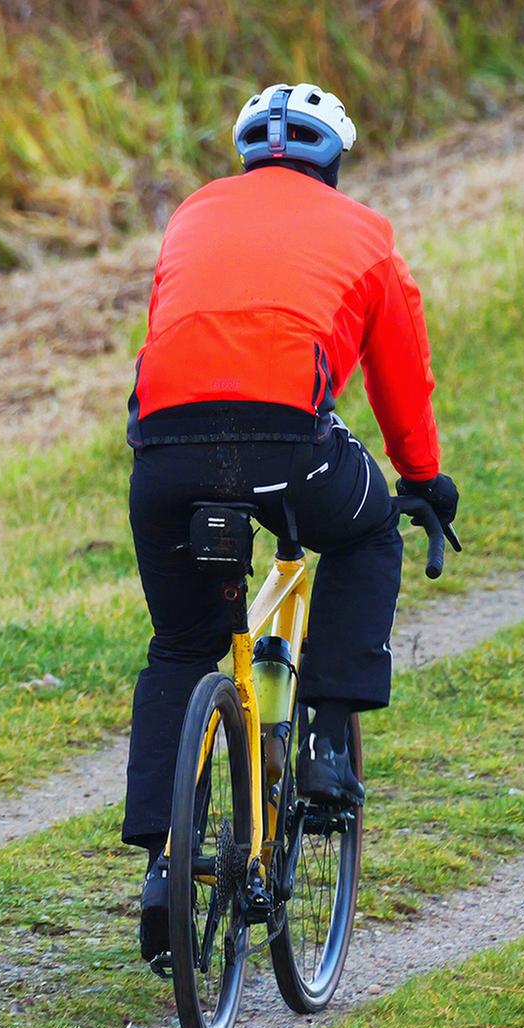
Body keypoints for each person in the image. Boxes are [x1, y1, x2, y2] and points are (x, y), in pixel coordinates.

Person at [123, 83, 457, 959]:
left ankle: (164, 861)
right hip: (285, 445)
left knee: (181, 645)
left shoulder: (193, 213)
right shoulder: (366, 233)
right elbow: (399, 374)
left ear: (244, 160)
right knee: (369, 527)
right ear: (333, 164)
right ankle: (324, 747)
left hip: (164, 452)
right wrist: (421, 478)